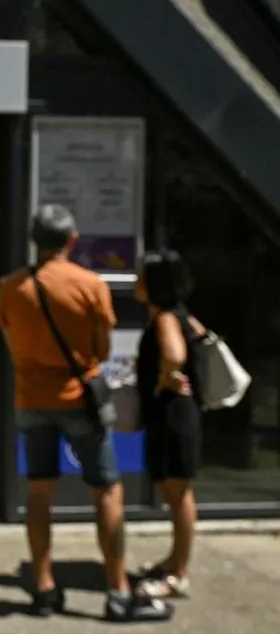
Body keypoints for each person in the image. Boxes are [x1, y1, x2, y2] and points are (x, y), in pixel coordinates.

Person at [0, 205, 172, 622]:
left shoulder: (10, 287)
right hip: (80, 401)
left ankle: (43, 587)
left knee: (39, 492)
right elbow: (101, 350)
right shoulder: (90, 285)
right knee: (107, 491)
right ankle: (117, 591)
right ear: (72, 240)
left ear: (34, 240)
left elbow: (10, 343)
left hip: (30, 399)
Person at [133, 250, 203, 600]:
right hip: (178, 414)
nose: (136, 281)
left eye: (141, 275)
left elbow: (175, 355)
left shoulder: (165, 319)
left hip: (173, 415)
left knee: (179, 495)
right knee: (176, 494)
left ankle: (178, 575)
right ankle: (175, 560)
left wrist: (165, 376)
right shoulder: (182, 315)